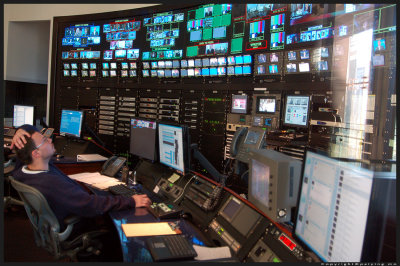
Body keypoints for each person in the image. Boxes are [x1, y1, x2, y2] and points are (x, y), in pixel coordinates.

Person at [11, 124, 151, 233]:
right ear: (36, 153)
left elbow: (29, 133)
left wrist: (21, 131)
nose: (49, 139)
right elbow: (91, 205)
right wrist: (131, 201)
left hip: (61, 216)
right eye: (44, 140)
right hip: (76, 225)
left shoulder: (22, 171)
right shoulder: (51, 183)